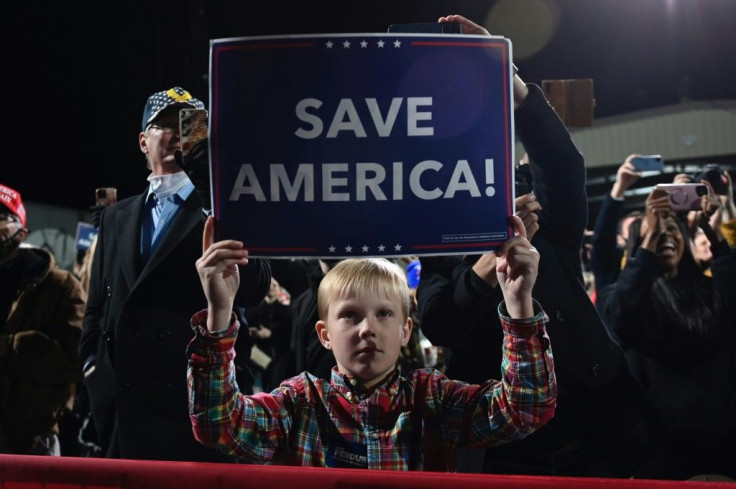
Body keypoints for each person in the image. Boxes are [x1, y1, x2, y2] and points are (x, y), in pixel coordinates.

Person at [415, 15, 653, 477]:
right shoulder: (436, 229)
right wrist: (488, 268)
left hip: (598, 420)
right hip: (504, 436)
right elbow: (439, 321)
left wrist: (503, 72)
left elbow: (562, 163)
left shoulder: (536, 206)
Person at [186, 215, 556, 469]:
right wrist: (220, 310)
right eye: (350, 315)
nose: (367, 329)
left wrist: (519, 304)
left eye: (384, 314)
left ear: (406, 330)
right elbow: (219, 424)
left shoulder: (434, 400)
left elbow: (525, 409)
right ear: (324, 334)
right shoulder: (299, 403)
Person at [78, 87, 271, 461]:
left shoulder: (225, 201)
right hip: (125, 405)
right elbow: (97, 305)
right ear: (142, 141)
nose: (177, 133)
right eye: (165, 124)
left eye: (190, 125)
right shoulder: (118, 216)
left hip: (193, 405)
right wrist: (93, 368)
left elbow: (254, 288)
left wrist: (218, 193)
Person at [597, 183, 735, 480]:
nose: (665, 235)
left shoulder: (706, 290)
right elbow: (621, 315)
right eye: (655, 229)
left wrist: (716, 238)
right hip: (660, 451)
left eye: (672, 228)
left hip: (723, 443)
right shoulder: (620, 295)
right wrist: (648, 243)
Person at [0, 183, 86, 455]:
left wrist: (10, 346)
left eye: (1, 217)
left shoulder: (60, 286)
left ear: (21, 231)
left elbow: (75, 358)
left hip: (31, 439)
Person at [590, 154, 645, 295]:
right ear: (619, 239)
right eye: (633, 228)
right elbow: (602, 238)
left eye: (643, 225)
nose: (640, 230)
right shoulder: (611, 263)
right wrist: (620, 186)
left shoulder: (656, 265)